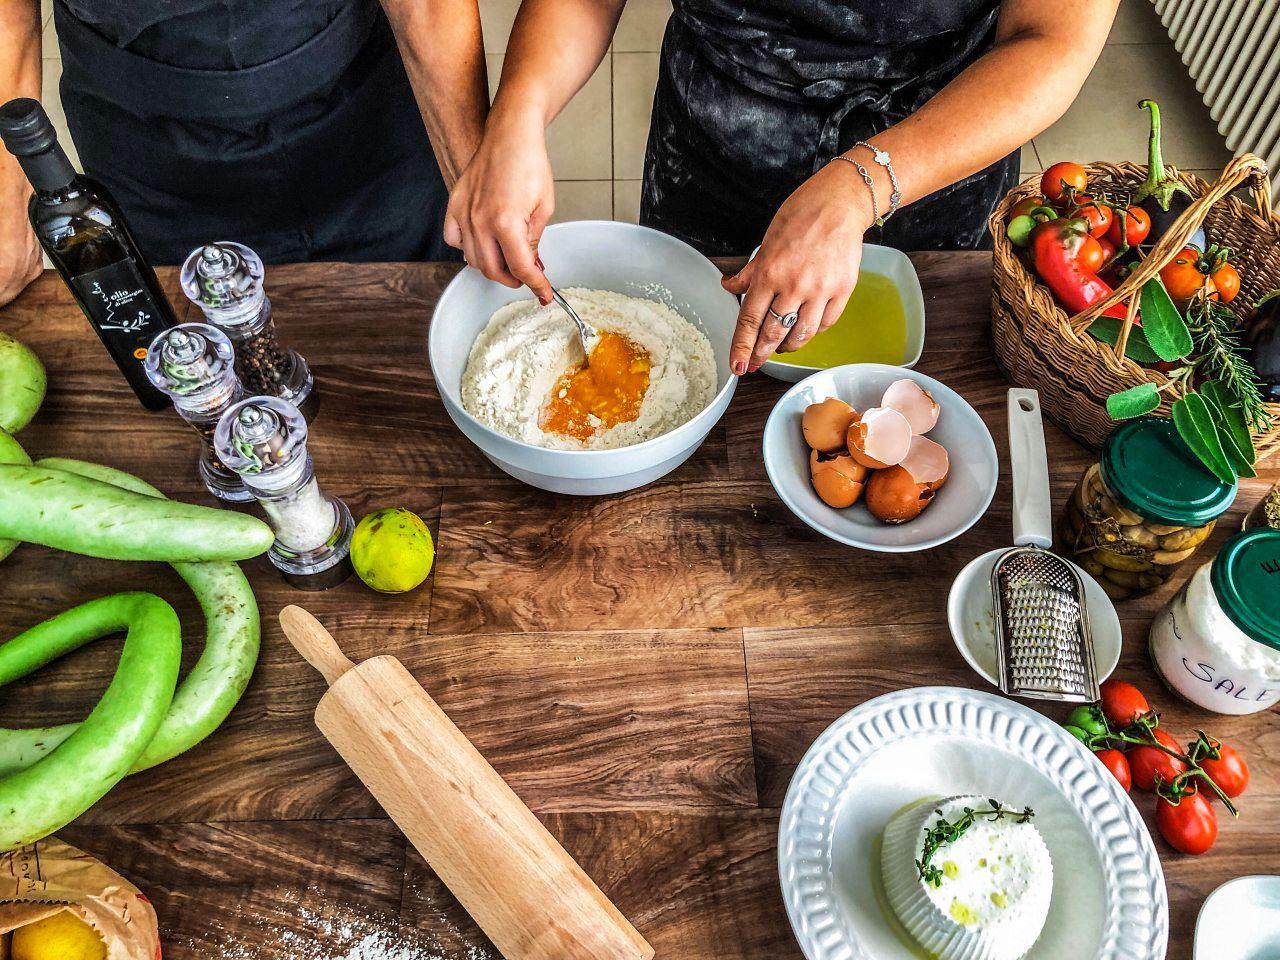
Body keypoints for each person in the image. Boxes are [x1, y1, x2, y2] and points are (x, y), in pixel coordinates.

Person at [447, 0, 1119, 374]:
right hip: (709, 159)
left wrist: (864, 184)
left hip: (930, 170)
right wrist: (519, 113)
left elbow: (1052, 41)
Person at [0, 0, 489, 306]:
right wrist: (5, 198)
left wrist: (476, 181)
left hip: (361, 102)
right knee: (187, 328)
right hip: (144, 134)